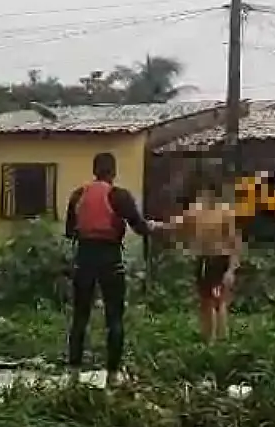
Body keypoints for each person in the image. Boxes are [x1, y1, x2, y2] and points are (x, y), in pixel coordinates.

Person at [64, 152, 159, 385]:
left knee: (80, 317)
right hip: (110, 258)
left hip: (84, 257)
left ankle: (74, 373)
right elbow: (139, 227)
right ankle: (113, 375)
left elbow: (69, 231)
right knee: (114, 318)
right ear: (113, 172)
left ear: (94, 170)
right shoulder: (119, 196)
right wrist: (153, 227)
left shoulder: (78, 195)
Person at [165, 182, 241, 342]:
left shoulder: (218, 213)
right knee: (212, 302)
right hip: (210, 260)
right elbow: (178, 225)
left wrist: (231, 269)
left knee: (213, 302)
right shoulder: (202, 212)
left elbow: (234, 242)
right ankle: (215, 339)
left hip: (216, 260)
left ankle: (215, 340)